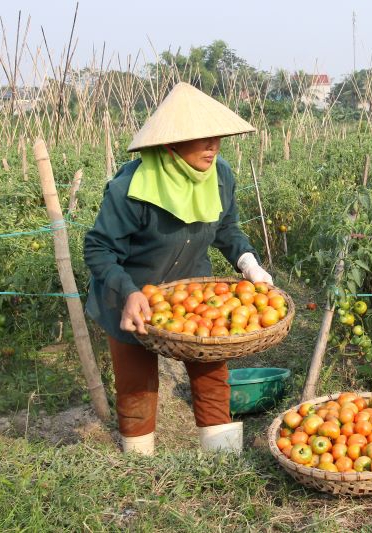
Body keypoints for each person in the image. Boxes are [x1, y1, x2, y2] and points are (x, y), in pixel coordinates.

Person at [84, 82, 272, 455]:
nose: (212, 146)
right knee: (137, 383)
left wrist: (249, 264)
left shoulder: (219, 176)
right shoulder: (131, 188)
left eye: (216, 137)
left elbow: (227, 228)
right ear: (169, 145)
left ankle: (222, 463)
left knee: (211, 373)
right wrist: (128, 292)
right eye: (200, 139)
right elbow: (99, 248)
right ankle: (139, 470)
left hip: (193, 295)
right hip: (131, 294)